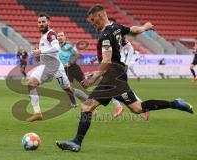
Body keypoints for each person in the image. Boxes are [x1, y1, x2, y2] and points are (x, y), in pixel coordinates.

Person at [56, 4, 193, 152]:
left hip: (112, 77)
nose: (92, 23)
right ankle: (175, 103)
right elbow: (133, 30)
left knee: (86, 106)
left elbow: (107, 60)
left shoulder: (105, 36)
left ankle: (77, 142)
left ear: (100, 16)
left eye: (93, 20)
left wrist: (94, 76)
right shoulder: (116, 27)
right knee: (137, 108)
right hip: (117, 75)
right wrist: (144, 27)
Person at [26, 12, 86, 122]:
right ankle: (37, 113)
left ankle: (89, 103)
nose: (41, 24)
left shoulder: (51, 34)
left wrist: (41, 51)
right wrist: (39, 56)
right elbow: (47, 52)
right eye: (39, 22)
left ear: (48, 22)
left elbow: (56, 48)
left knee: (69, 89)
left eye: (43, 22)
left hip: (55, 69)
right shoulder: (43, 36)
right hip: (44, 68)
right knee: (31, 84)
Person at [57, 32, 88, 107]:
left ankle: (97, 96)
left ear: (65, 37)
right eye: (58, 36)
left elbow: (77, 54)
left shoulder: (69, 45)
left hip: (73, 67)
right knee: (68, 87)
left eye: (62, 35)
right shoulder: (56, 47)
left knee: (85, 85)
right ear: (57, 38)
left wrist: (70, 63)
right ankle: (74, 103)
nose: (60, 37)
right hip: (65, 69)